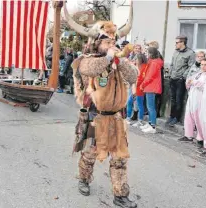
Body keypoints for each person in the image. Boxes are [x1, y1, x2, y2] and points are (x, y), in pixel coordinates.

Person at [65, 1, 137, 206]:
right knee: (90, 154)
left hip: (117, 118)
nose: (111, 44)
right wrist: (107, 58)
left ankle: (120, 195)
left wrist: (120, 60)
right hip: (95, 117)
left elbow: (133, 77)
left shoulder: (118, 62)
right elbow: (88, 69)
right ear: (97, 42)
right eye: (106, 41)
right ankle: (84, 179)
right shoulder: (88, 59)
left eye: (113, 41)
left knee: (119, 158)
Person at [178, 58, 206, 145]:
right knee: (188, 116)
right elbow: (190, 80)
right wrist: (189, 82)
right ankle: (188, 135)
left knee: (198, 118)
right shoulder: (199, 73)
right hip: (192, 96)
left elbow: (202, 85)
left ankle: (201, 138)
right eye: (202, 64)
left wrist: (194, 82)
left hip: (199, 99)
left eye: (205, 65)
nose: (203, 67)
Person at [167, 35, 195, 126]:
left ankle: (176, 118)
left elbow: (191, 66)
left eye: (177, 42)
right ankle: (171, 116)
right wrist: (170, 73)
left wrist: (183, 76)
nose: (175, 44)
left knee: (179, 99)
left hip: (180, 80)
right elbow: (172, 64)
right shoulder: (176, 52)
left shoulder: (190, 53)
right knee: (172, 99)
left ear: (182, 42)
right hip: (173, 78)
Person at [139, 47, 163, 134]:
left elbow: (150, 76)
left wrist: (142, 84)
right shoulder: (153, 62)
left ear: (151, 54)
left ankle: (152, 126)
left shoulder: (154, 63)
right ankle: (150, 123)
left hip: (151, 87)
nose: (146, 54)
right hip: (150, 86)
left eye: (147, 52)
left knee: (151, 107)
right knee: (150, 106)